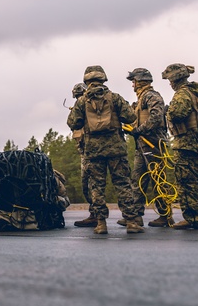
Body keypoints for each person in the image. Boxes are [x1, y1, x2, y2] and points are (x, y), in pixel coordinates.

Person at [67, 65, 142, 235]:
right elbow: (130, 117)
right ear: (103, 79)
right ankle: (131, 222)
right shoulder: (115, 98)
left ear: (87, 81)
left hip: (93, 151)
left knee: (97, 187)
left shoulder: (81, 102)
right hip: (116, 148)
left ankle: (101, 224)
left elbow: (73, 123)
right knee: (123, 184)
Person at [162, 63, 198, 230]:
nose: (170, 83)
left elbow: (177, 114)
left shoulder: (182, 95)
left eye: (170, 80)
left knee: (187, 183)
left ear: (175, 78)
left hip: (187, 145)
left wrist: (167, 111)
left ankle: (193, 218)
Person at [125, 68, 173, 227]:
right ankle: (135, 215)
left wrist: (139, 130)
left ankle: (165, 216)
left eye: (134, 82)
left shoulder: (152, 96)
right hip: (142, 144)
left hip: (154, 144)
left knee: (157, 179)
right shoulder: (141, 99)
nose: (133, 86)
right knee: (138, 179)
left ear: (140, 81)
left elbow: (156, 117)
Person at [70, 82, 98, 227]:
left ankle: (97, 215)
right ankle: (95, 213)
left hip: (93, 152)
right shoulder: (79, 108)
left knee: (93, 185)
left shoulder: (92, 107)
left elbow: (71, 122)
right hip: (85, 152)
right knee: (86, 186)